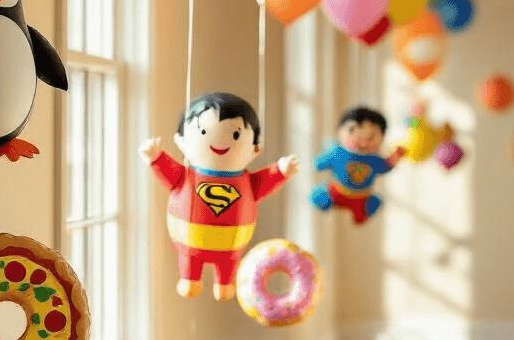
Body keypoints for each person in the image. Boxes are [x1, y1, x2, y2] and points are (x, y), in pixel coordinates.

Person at [141, 92, 297, 300]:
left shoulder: (248, 182)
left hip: (231, 247)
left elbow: (265, 180)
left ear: (255, 148)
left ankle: (224, 282)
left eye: (235, 135)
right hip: (189, 244)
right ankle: (189, 277)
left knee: (227, 266)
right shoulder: (186, 177)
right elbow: (167, 170)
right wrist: (155, 157)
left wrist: (280, 170)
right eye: (203, 131)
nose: (222, 143)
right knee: (190, 265)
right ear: (181, 141)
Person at [310, 106, 404, 224]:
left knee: (371, 206)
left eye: (371, 137)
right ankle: (324, 200)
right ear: (340, 131)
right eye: (353, 132)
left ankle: (362, 213)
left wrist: (395, 158)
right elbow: (319, 164)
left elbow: (385, 166)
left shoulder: (374, 159)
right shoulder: (337, 152)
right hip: (337, 191)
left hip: (362, 197)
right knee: (321, 196)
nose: (363, 141)